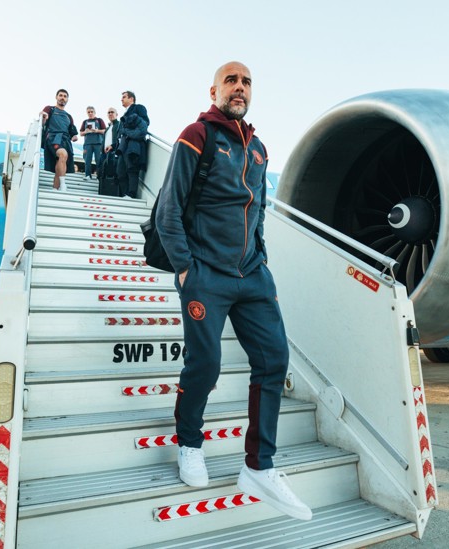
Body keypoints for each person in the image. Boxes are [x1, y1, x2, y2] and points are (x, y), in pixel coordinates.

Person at [155, 61, 311, 521]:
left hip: (253, 276)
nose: (239, 88)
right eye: (231, 81)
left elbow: (257, 211)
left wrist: (260, 260)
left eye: (246, 82)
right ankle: (189, 441)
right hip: (207, 273)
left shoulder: (259, 148)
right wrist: (187, 269)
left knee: (273, 361)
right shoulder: (196, 136)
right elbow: (168, 209)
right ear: (215, 90)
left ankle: (259, 467)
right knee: (206, 364)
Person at [41, 89, 79, 190]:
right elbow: (43, 121)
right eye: (60, 95)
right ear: (56, 97)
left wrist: (74, 136)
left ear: (67, 99)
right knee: (63, 154)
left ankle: (55, 188)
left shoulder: (69, 116)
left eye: (65, 96)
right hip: (54, 138)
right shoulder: (50, 109)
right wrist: (43, 118)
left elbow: (73, 132)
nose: (62, 98)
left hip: (66, 140)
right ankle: (63, 184)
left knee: (62, 161)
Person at [115, 91, 149, 198]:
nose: (121, 99)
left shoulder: (139, 108)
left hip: (133, 144)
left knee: (132, 168)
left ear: (131, 99)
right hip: (123, 146)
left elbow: (145, 123)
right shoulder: (124, 115)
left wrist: (129, 133)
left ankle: (131, 193)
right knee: (120, 171)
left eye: (124, 97)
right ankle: (125, 194)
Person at [79, 106, 107, 180]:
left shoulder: (99, 120)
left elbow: (105, 131)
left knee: (99, 160)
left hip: (98, 143)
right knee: (87, 160)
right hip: (87, 144)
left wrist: (97, 131)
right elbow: (81, 133)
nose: (90, 113)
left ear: (95, 112)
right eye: (88, 112)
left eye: (92, 111)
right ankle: (88, 175)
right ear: (87, 113)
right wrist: (86, 131)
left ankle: (99, 176)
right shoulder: (85, 122)